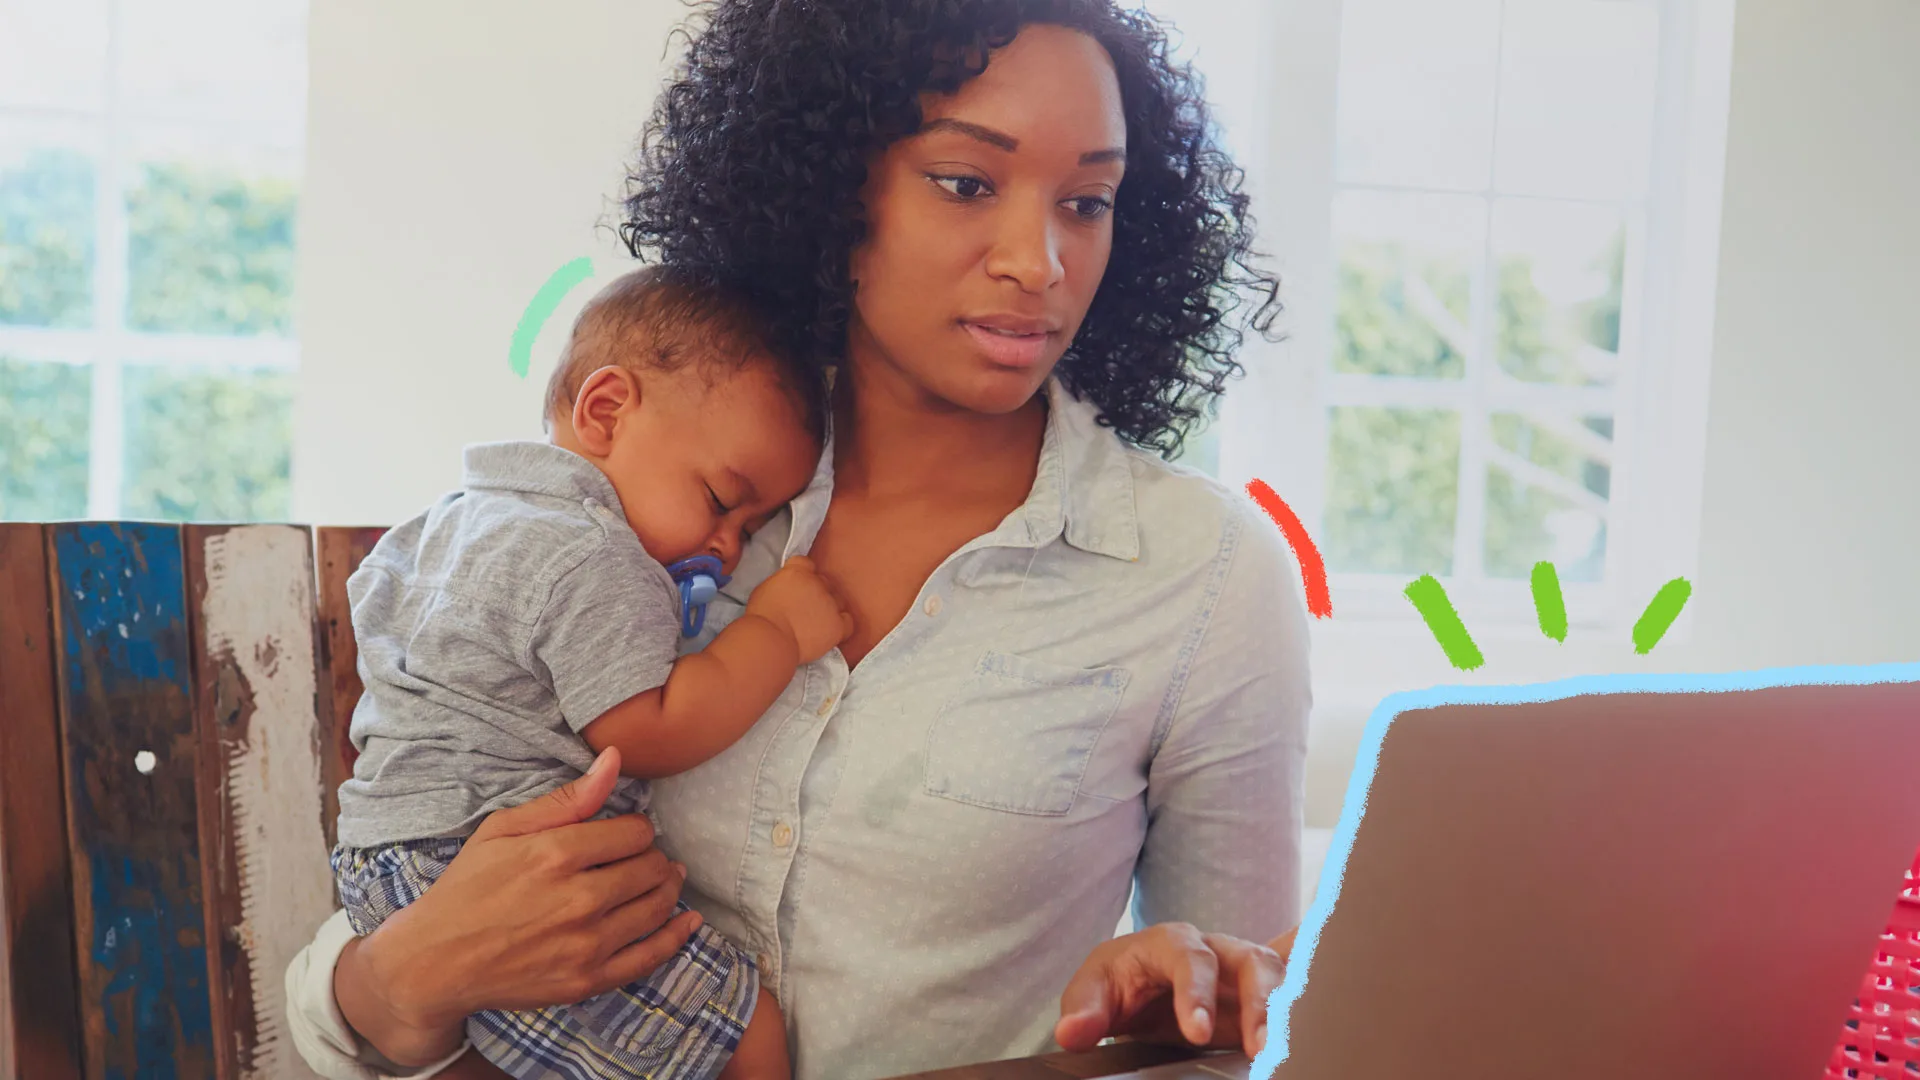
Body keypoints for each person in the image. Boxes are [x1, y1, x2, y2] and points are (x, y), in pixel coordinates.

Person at [285, 1, 1311, 1077]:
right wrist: (405, 979)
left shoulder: (1205, 576)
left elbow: (1246, 1030)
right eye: (966, 183)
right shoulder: (643, 492)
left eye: (1088, 201)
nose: (1039, 259)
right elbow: (386, 908)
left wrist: (1161, 997)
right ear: (833, 192)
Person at [330, 266, 852, 1080]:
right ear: (605, 410)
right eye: (722, 499)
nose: (729, 548)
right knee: (747, 1028)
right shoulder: (591, 551)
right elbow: (649, 729)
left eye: (753, 526)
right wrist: (779, 633)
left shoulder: (455, 517)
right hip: (473, 859)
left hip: (385, 862)